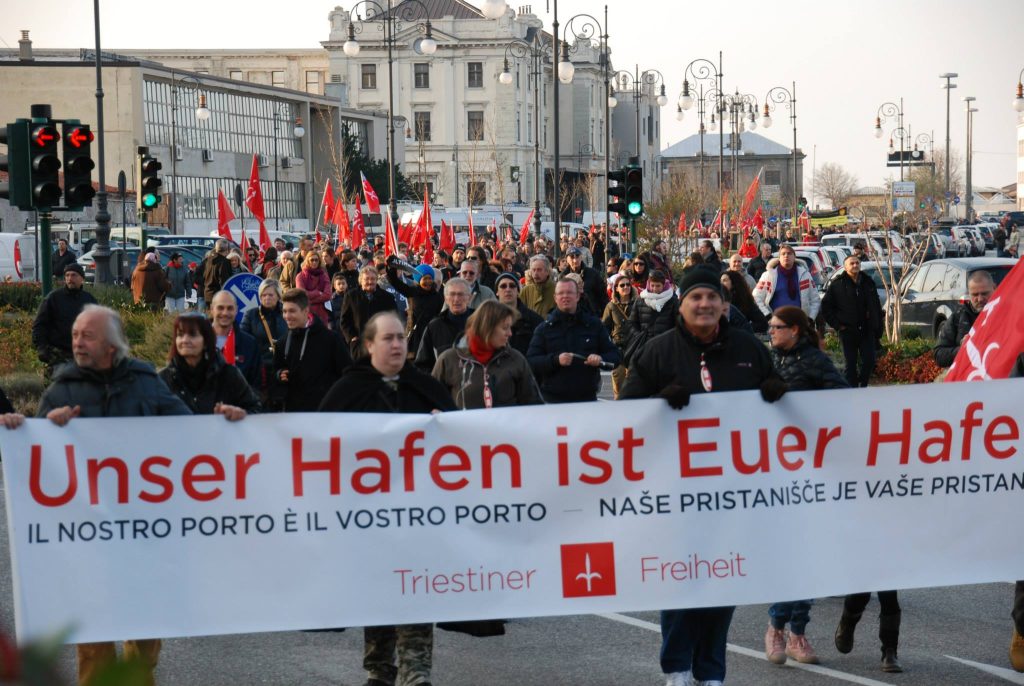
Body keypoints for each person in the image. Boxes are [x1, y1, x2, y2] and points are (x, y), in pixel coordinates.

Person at [2, 305, 238, 686]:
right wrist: (32, 427)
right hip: (86, 537)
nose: (77, 342)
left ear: (111, 345)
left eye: (87, 336)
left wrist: (228, 425)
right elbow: (35, 456)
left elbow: (190, 435)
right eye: (75, 335)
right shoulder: (62, 387)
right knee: (92, 642)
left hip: (143, 534)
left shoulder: (146, 381)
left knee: (143, 634)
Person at [619, 268, 785, 686]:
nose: (706, 305)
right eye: (697, 298)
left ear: (725, 305)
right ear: (683, 303)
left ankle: (711, 672)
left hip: (733, 496)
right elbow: (626, 415)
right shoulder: (658, 352)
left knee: (722, 585)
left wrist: (776, 391)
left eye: (713, 298)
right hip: (674, 494)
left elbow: (780, 401)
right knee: (680, 584)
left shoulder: (748, 347)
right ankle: (677, 668)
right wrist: (658, 401)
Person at [318, 310, 454, 686]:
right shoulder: (349, 389)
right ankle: (379, 670)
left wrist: (448, 426)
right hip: (369, 519)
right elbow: (319, 442)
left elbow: (461, 449)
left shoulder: (424, 387)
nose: (397, 345)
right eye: (388, 339)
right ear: (368, 345)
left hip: (419, 519)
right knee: (377, 591)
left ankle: (416, 671)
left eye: (401, 338)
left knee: (416, 589)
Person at [763, 306, 847, 667]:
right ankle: (776, 627)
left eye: (778, 327)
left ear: (795, 330)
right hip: (772, 471)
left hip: (811, 471)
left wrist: (804, 406)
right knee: (788, 554)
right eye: (769, 326)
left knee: (808, 554)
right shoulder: (766, 362)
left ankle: (797, 631)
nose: (771, 332)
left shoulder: (815, 361)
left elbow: (842, 398)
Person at [432, 300, 542, 409]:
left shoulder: (515, 359)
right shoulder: (448, 360)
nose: (510, 333)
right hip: (463, 426)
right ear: (487, 328)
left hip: (506, 426)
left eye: (510, 327)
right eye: (505, 328)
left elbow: (533, 404)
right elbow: (432, 400)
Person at [527, 276, 620, 403]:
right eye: (561, 293)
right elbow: (531, 362)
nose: (565, 296)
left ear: (578, 296)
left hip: (586, 399)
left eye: (569, 292)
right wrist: (555, 360)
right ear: (555, 298)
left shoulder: (593, 325)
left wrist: (600, 359)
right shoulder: (544, 329)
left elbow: (615, 356)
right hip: (553, 400)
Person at [159, 313, 261, 415]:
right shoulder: (163, 379)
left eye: (193, 334)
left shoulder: (228, 374)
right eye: (180, 335)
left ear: (206, 341)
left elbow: (255, 408)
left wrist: (240, 413)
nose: (185, 340)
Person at [272, 288, 353, 412]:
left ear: (305, 311)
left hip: (326, 412)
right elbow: (275, 371)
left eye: (292, 311)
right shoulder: (282, 342)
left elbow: (347, 372)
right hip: (295, 414)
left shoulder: (331, 339)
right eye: (284, 311)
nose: (287, 316)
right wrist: (280, 374)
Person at [821, 255, 884, 387]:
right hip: (847, 330)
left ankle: (863, 385)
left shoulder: (868, 282)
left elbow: (876, 306)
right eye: (852, 263)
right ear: (845, 267)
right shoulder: (837, 284)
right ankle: (852, 390)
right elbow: (826, 307)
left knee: (869, 361)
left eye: (857, 263)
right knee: (850, 364)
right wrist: (838, 325)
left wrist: (877, 326)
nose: (855, 265)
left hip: (867, 330)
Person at [31, 263, 98, 381]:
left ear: (82, 278)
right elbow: (40, 324)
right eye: (67, 275)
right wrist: (41, 347)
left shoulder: (89, 300)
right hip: (57, 354)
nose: (70, 279)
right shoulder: (53, 298)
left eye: (73, 275)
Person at [933, 270, 995, 367]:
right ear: (969, 294)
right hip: (969, 378)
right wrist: (963, 349)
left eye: (984, 293)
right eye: (975, 295)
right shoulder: (957, 318)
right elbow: (938, 355)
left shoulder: (1008, 315)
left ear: (994, 289)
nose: (980, 299)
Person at [240, 279, 288, 400]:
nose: (266, 298)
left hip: (284, 367)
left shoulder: (287, 312)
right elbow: (243, 339)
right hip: (261, 368)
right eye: (263, 295)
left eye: (270, 295)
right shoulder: (251, 315)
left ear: (278, 295)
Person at [386, 258, 445, 354]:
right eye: (424, 279)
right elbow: (395, 282)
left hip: (432, 334)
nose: (428, 281)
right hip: (416, 335)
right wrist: (393, 267)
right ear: (418, 280)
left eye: (430, 278)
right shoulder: (413, 292)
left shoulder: (438, 296)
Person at [415, 278, 474, 371]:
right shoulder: (434, 327)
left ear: (469, 298)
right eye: (452, 294)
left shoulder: (481, 323)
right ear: (446, 299)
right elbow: (423, 364)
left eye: (461, 294)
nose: (456, 299)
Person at [339, 265, 398, 356]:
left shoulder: (387, 297)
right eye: (366, 279)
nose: (370, 282)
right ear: (361, 280)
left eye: (373, 279)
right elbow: (345, 320)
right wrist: (352, 337)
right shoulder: (351, 296)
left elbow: (394, 319)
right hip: (359, 345)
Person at [208, 291, 261, 390]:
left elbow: (256, 386)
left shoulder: (250, 344)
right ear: (212, 309)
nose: (225, 313)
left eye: (230, 308)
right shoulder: (198, 341)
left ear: (236, 310)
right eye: (220, 308)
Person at [753, 244, 821, 320]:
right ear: (779, 258)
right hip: (776, 323)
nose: (786, 256)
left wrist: (811, 318)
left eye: (789, 253)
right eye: (783, 254)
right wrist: (767, 315)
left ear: (794, 257)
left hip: (799, 322)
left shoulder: (805, 276)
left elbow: (815, 300)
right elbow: (756, 297)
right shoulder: (768, 276)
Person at [601, 273, 638, 399]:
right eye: (622, 285)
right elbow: (604, 328)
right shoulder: (611, 306)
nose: (626, 287)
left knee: (634, 385)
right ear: (616, 288)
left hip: (635, 348)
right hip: (619, 349)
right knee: (619, 386)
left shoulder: (638, 304)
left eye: (628, 284)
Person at [493, 271, 543, 356]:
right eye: (503, 286)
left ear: (518, 291)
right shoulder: (488, 318)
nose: (508, 289)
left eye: (512, 286)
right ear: (497, 292)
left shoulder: (534, 320)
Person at [561, 246, 609, 316]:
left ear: (581, 257)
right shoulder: (563, 277)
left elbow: (603, 296)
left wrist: (603, 315)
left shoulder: (593, 274)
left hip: (592, 315)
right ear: (567, 259)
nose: (575, 260)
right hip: (570, 315)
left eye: (577, 256)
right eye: (572, 257)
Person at [295, 251, 332, 325]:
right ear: (307, 261)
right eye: (312, 260)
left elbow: (328, 295)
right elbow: (302, 294)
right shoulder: (300, 276)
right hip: (306, 312)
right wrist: (317, 293)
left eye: (316, 260)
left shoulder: (324, 275)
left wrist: (310, 299)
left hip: (322, 313)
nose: (314, 262)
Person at [202, 239, 234, 306]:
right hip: (218, 296)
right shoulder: (224, 262)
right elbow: (224, 280)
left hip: (207, 294)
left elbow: (202, 275)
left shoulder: (208, 260)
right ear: (227, 249)